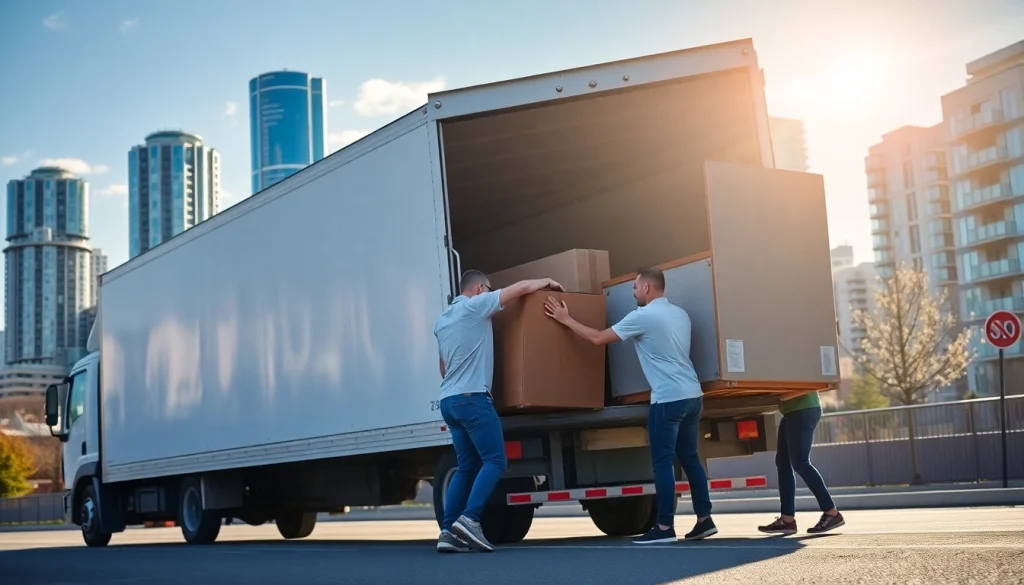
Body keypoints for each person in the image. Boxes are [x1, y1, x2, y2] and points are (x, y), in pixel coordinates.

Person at [543, 267, 716, 544]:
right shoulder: (680, 314)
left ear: (647, 288)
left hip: (668, 400)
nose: (633, 292)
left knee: (662, 463)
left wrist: (566, 319)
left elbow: (598, 339)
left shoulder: (643, 317)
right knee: (691, 459)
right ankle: (705, 520)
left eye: (635, 287)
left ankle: (664, 527)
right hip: (693, 396)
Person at [434, 269, 563, 553]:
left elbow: (442, 368)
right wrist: (545, 281)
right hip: (472, 399)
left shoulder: (443, 320)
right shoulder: (476, 306)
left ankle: (447, 531)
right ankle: (470, 520)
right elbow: (519, 289)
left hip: (449, 401)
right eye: (490, 289)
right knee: (495, 461)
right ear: (480, 289)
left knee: (466, 467)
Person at [757, 391, 845, 535]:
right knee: (783, 462)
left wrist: (780, 396)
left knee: (800, 462)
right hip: (791, 411)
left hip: (803, 409)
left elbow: (811, 381)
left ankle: (832, 513)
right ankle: (787, 520)